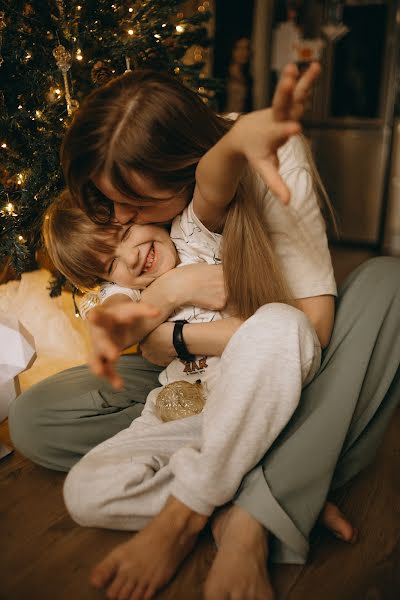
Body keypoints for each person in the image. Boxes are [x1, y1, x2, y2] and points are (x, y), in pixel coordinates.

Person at [8, 63, 400, 600]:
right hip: (181, 390)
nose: (122, 219)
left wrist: (240, 140)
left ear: (185, 173)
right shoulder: (124, 233)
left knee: (374, 289)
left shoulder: (214, 202)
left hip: (273, 357)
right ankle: (267, 477)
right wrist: (170, 299)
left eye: (135, 209)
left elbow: (308, 328)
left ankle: (226, 514)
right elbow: (123, 324)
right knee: (38, 423)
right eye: (110, 205)